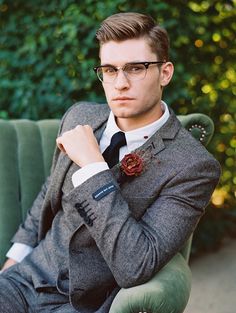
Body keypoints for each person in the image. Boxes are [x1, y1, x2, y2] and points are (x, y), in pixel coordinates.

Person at [0, 12, 220, 313]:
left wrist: (93, 168)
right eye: (109, 69)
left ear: (165, 73)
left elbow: (137, 263)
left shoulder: (194, 167)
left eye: (136, 68)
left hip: (84, 304)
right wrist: (12, 266)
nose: (120, 83)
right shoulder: (79, 117)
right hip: (22, 282)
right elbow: (47, 195)